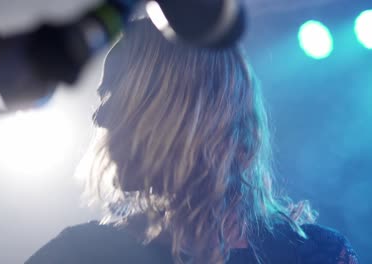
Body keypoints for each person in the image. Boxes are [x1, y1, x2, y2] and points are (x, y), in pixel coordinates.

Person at [25, 18, 358, 264]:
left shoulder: (317, 255)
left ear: (182, 114)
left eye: (115, 96)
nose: (99, 117)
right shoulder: (83, 255)